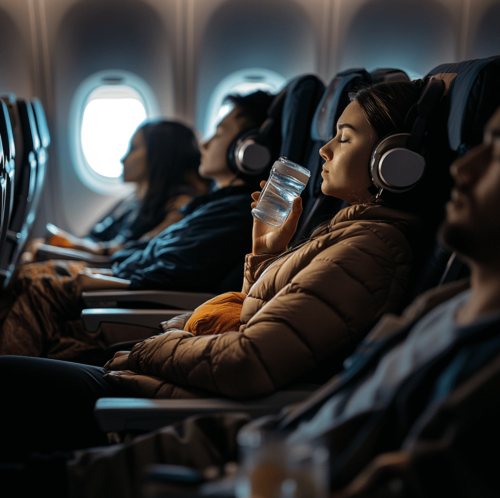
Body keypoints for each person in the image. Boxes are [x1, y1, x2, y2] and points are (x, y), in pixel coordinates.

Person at [2, 101, 498, 498]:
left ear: (392, 162)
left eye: (343, 138)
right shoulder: (421, 292)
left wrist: (149, 348)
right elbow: (266, 322)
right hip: (198, 412)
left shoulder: (373, 247)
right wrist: (266, 251)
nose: (322, 150)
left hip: (178, 410)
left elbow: (251, 358)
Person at [0, 91, 278, 362]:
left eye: (218, 132)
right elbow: (148, 253)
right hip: (130, 287)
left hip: (145, 304)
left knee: (39, 284)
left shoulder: (235, 212)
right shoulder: (209, 205)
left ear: (247, 148)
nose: (204, 145)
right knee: (33, 278)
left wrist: (91, 278)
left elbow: (170, 273)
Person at [26, 120, 206, 260]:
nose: (123, 158)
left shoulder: (181, 204)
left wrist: (71, 246)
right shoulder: (133, 199)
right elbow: (95, 235)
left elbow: (143, 248)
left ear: (159, 156)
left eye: (133, 148)